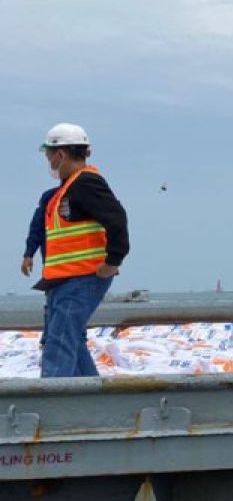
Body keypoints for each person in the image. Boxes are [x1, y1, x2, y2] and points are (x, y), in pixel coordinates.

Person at [31, 123, 130, 378]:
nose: (48, 161)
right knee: (68, 340)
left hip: (82, 278)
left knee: (59, 343)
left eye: (49, 155)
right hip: (63, 280)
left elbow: (117, 219)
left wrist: (112, 262)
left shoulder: (85, 183)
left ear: (60, 155)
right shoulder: (67, 188)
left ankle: (52, 407)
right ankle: (93, 405)